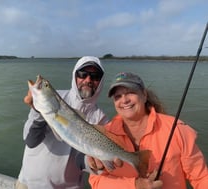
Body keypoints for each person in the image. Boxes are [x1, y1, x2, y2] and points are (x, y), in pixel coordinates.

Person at [88, 72, 208, 189]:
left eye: (130, 92)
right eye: (117, 96)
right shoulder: (104, 134)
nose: (124, 100)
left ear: (144, 95)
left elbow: (201, 177)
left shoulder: (177, 129)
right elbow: (96, 181)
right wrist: (135, 185)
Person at [16, 56, 109, 189]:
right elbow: (31, 141)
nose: (88, 80)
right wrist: (38, 113)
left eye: (95, 76)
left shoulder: (101, 119)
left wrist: (94, 163)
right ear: (75, 76)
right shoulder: (54, 99)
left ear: (101, 82)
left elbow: (83, 162)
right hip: (29, 184)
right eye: (82, 74)